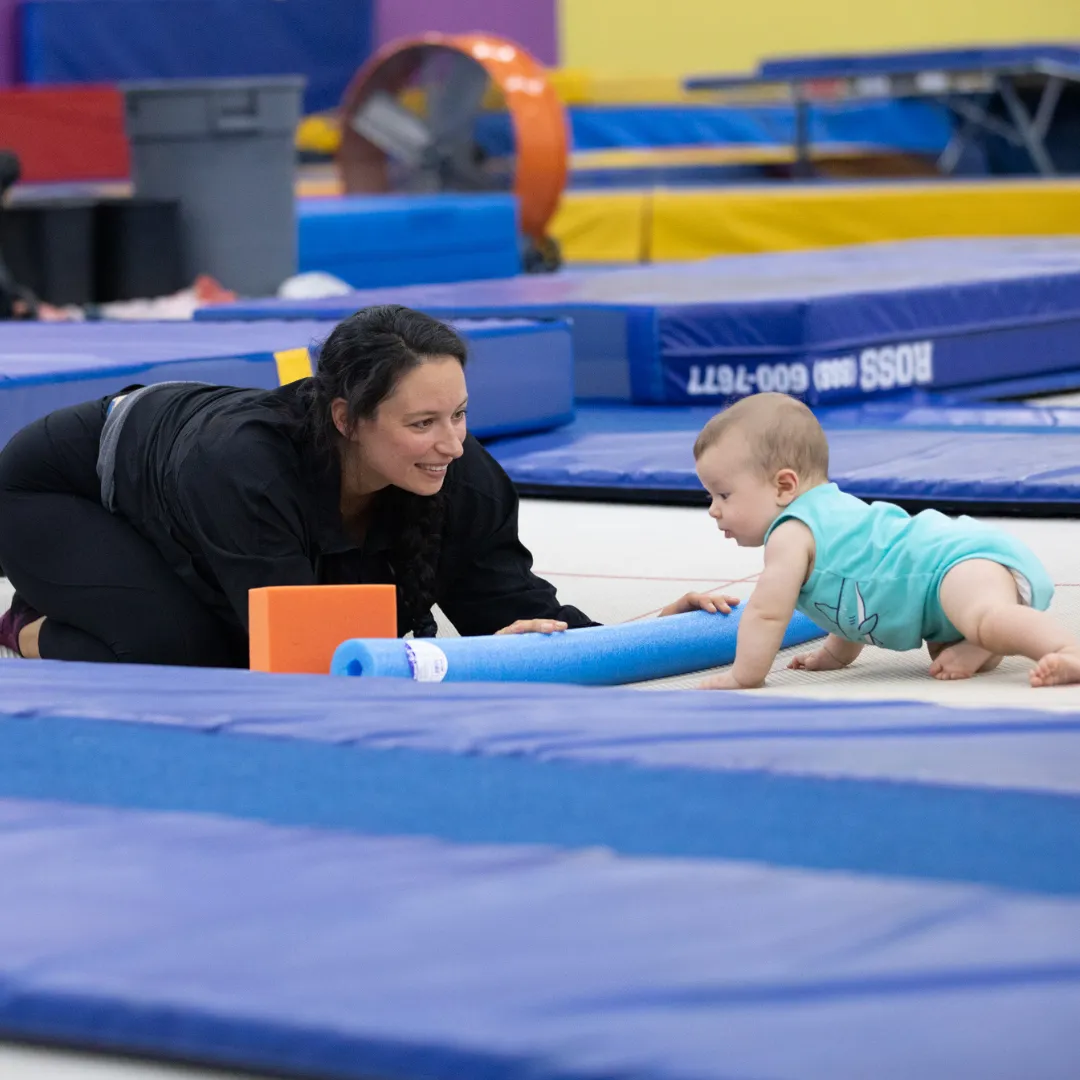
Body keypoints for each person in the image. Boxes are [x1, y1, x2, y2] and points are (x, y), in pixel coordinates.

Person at [0, 305, 594, 664]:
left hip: (186, 498)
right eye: (422, 424)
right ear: (346, 419)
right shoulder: (249, 470)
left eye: (459, 414)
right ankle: (24, 625)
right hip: (58, 494)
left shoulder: (462, 477)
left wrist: (656, 629)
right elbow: (298, 660)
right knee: (189, 654)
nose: (452, 445)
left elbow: (519, 614)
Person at [663, 392, 1080, 690]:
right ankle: (978, 645)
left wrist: (744, 674)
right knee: (947, 650)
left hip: (951, 566)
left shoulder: (790, 534)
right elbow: (854, 587)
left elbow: (767, 615)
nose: (714, 509)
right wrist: (836, 655)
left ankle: (1067, 649)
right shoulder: (827, 520)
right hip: (942, 585)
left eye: (724, 495)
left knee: (988, 616)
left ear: (783, 485)